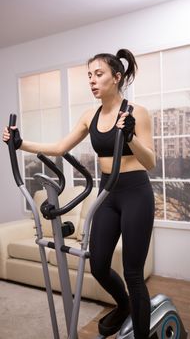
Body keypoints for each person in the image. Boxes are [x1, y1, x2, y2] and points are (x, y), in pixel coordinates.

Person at [3, 48, 155, 339]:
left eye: (99, 74)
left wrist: (132, 136)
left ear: (117, 77)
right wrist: (21, 144)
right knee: (97, 264)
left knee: (133, 274)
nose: (92, 81)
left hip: (136, 192)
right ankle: (122, 305)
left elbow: (150, 162)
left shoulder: (138, 112)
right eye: (89, 76)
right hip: (107, 194)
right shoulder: (90, 115)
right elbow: (60, 147)